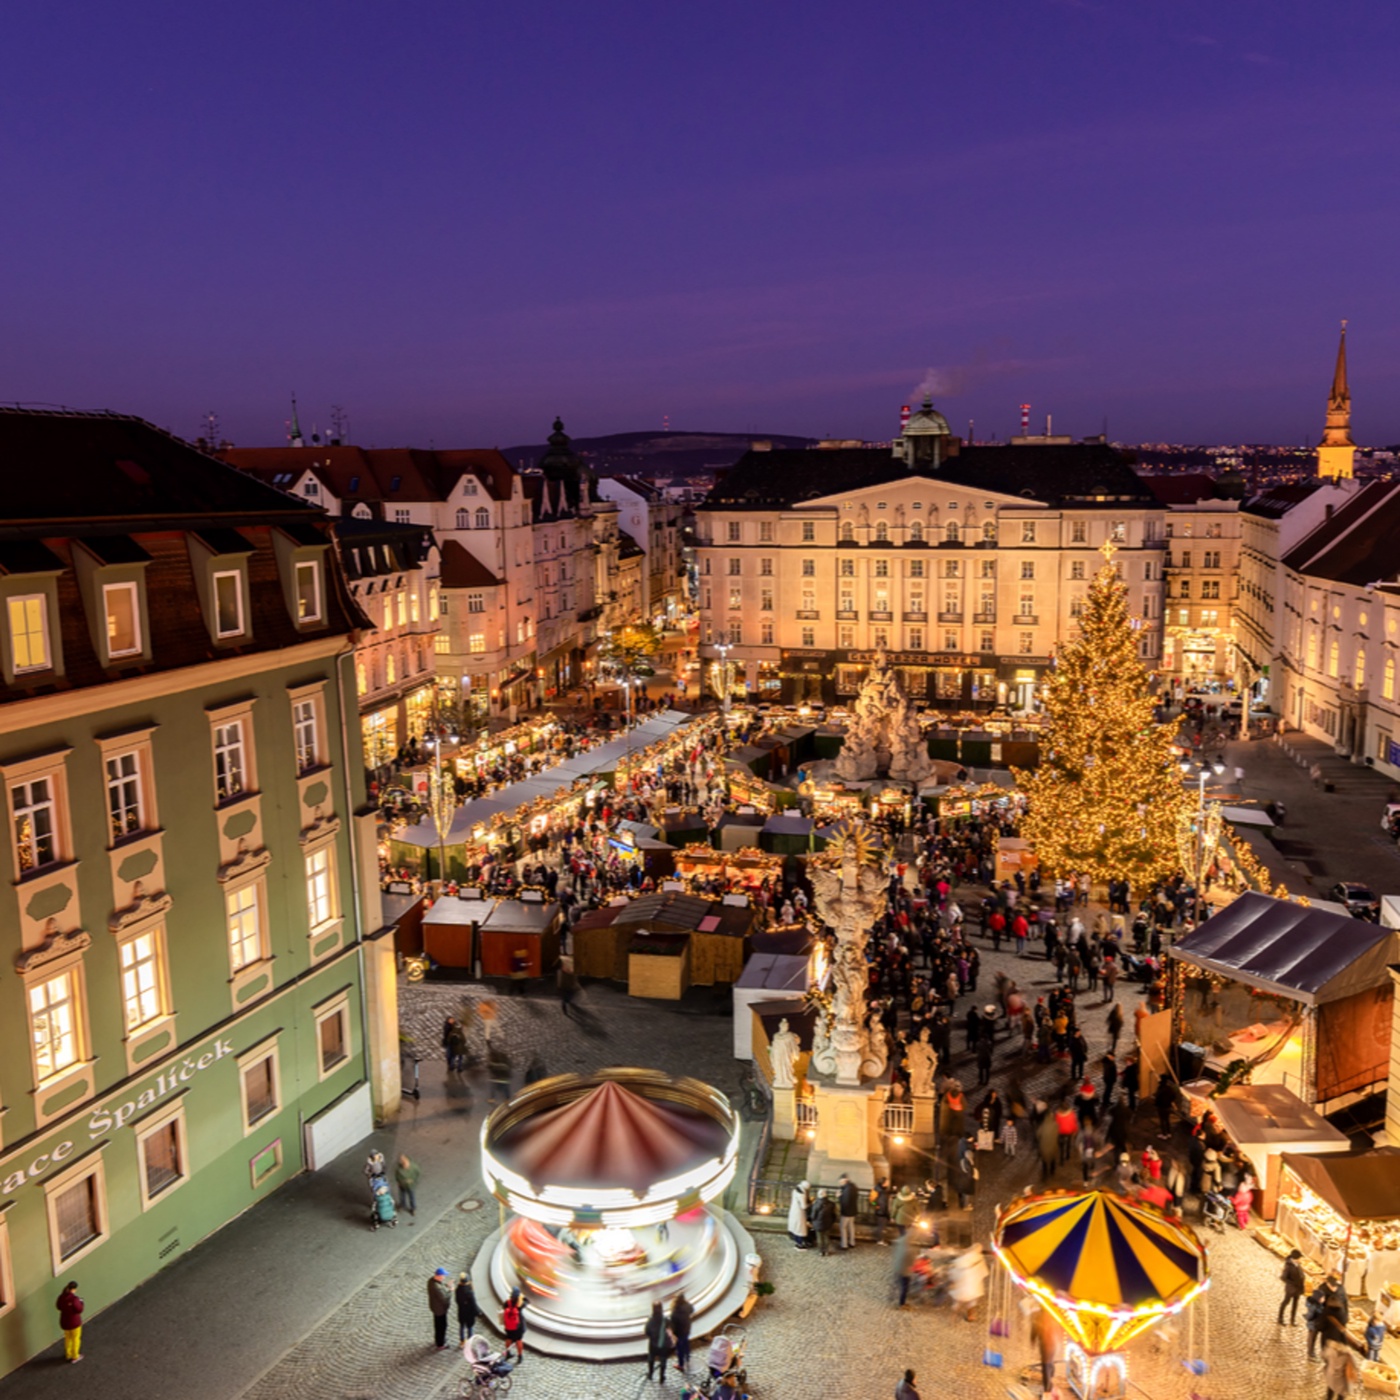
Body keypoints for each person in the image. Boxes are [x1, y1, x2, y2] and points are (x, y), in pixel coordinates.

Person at [644, 1299, 674, 1381]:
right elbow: (670, 1327)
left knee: (651, 1358)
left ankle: (650, 1374)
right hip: (663, 1343)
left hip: (653, 1344)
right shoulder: (665, 1319)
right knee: (663, 1359)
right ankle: (662, 1377)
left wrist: (652, 1337)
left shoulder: (650, 1320)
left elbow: (646, 1331)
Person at [56, 1281, 84, 1364]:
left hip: (65, 1322)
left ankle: (68, 1354)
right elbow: (79, 1309)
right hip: (74, 1322)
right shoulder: (74, 1299)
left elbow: (58, 1306)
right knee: (75, 1338)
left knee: (68, 1338)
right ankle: (75, 1356)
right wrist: (81, 1302)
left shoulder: (61, 1297)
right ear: (74, 1289)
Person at [428, 1268, 453, 1350]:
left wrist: (446, 1286)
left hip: (435, 1308)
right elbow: (445, 1299)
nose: (444, 1277)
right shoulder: (437, 1287)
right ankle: (441, 1344)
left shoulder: (431, 1281)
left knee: (437, 1325)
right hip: (440, 1310)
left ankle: (438, 1340)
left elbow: (440, 1289)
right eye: (443, 1276)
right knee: (442, 1326)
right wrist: (450, 1290)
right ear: (439, 1276)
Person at [500, 1288, 527, 1362]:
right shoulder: (520, 1305)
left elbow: (503, 1307)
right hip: (518, 1327)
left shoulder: (507, 1303)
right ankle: (520, 1356)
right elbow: (527, 1302)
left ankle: (508, 1353)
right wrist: (522, 1297)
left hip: (508, 1326)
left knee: (508, 1338)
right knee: (519, 1340)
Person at [670, 1293, 694, 1373]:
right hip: (687, 1328)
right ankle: (687, 1357)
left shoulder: (674, 1312)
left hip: (679, 1332)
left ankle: (681, 1365)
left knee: (679, 1349)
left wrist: (673, 1334)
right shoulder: (687, 1306)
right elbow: (692, 1310)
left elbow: (673, 1325)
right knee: (686, 1343)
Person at [813, 1189, 838, 1257]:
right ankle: (826, 1251)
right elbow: (834, 1214)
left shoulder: (816, 1204)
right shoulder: (831, 1204)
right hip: (828, 1224)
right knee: (826, 1237)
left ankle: (821, 1251)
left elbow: (813, 1215)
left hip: (818, 1224)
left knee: (819, 1238)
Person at [456, 1273, 480, 1342]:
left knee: (462, 1326)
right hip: (469, 1314)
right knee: (470, 1328)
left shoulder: (458, 1290)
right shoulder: (470, 1292)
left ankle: (462, 1340)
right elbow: (473, 1304)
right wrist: (478, 1312)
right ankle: (470, 1341)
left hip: (461, 1312)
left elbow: (457, 1300)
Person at [838, 1173, 860, 1250]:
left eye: (841, 1182)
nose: (840, 1184)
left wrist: (839, 1196)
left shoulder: (847, 1189)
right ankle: (852, 1242)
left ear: (844, 1180)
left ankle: (844, 1244)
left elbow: (845, 1202)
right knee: (851, 1227)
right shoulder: (854, 1187)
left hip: (846, 1212)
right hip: (853, 1211)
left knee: (843, 1228)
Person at [787, 1180, 811, 1249]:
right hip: (799, 1213)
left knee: (795, 1227)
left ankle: (797, 1242)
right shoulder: (802, 1194)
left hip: (794, 1211)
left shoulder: (796, 1190)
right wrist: (809, 1204)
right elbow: (804, 1206)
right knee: (800, 1229)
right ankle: (800, 1244)